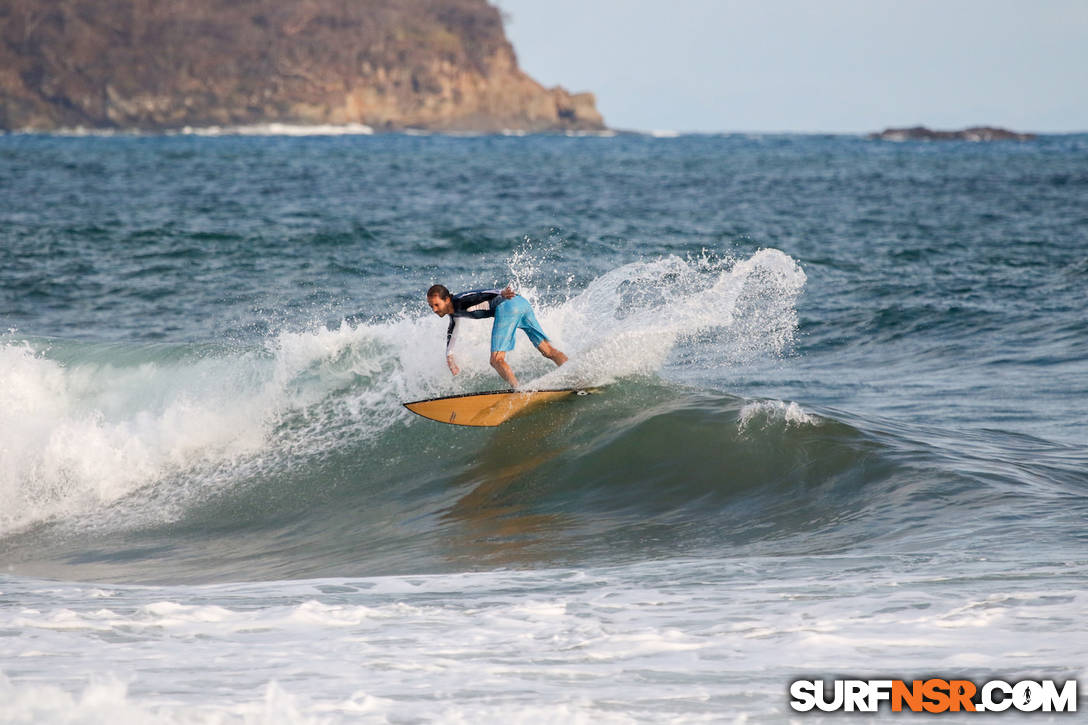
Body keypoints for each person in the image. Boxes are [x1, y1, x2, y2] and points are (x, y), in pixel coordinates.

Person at [427, 283, 567, 388]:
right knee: (547, 350)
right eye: (431, 306)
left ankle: (518, 391)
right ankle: (573, 372)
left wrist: (501, 293)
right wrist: (449, 357)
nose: (434, 309)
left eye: (436, 305)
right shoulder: (454, 312)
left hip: (507, 304)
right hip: (520, 303)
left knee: (496, 360)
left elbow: (480, 293)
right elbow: (453, 330)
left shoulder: (460, 300)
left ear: (446, 300)